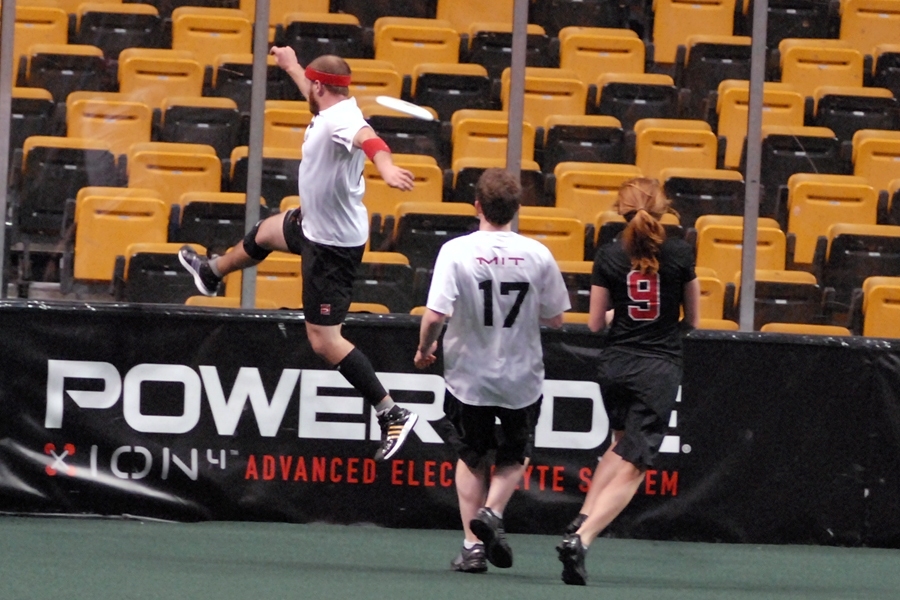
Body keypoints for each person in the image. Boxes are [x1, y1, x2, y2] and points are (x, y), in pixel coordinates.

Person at [178, 48, 418, 462]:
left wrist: (386, 166)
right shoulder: (334, 103)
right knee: (268, 231)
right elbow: (316, 91)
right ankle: (213, 271)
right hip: (314, 221)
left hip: (332, 247)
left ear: (321, 87)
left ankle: (391, 412)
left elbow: (369, 139)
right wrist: (290, 64)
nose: (309, 89)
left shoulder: (341, 119)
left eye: (311, 84)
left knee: (324, 340)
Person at [414, 168, 571, 574]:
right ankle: (493, 511)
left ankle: (472, 547)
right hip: (521, 376)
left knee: (470, 457)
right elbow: (556, 318)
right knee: (515, 453)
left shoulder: (456, 251)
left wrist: (424, 347)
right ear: (517, 209)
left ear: (477, 206)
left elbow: (435, 315)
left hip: (469, 375)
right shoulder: (537, 253)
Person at [556, 177, 700, 585]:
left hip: (616, 365)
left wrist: (626, 317)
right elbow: (692, 319)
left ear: (620, 210)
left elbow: (594, 321)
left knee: (619, 446)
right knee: (636, 465)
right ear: (663, 209)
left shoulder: (607, 255)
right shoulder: (680, 253)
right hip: (657, 369)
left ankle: (583, 514)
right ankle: (582, 539)